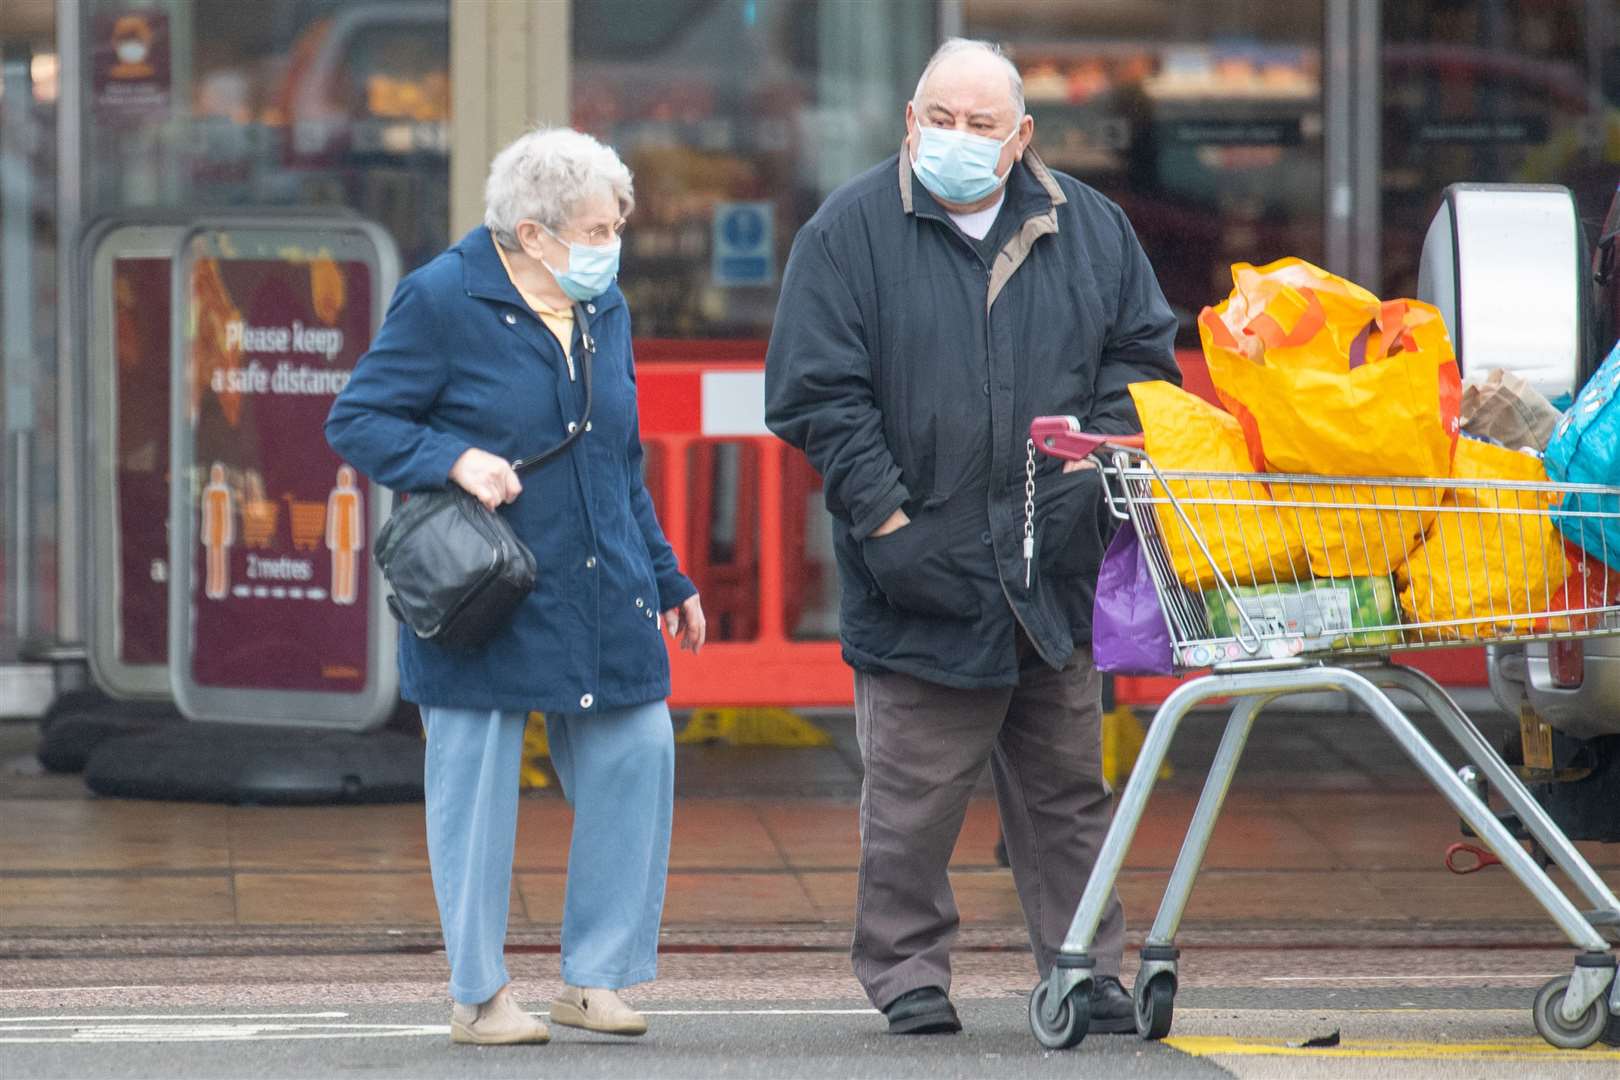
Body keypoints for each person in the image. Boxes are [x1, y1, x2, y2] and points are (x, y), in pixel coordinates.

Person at [765, 38, 1179, 1036]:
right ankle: (907, 971)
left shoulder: (1093, 228)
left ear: (1021, 136)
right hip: (919, 564)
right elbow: (816, 392)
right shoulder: (849, 231)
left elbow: (1142, 356)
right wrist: (889, 519)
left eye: (982, 125)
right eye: (939, 119)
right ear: (909, 122)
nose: (956, 139)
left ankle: (1085, 966)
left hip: (1055, 555)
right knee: (910, 801)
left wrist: (1095, 462)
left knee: (1069, 795)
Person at [326, 127, 707, 1046]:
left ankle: (598, 978)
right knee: (476, 791)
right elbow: (359, 419)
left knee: (638, 750)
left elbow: (618, 456)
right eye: (595, 227)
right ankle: (478, 996)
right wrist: (453, 457)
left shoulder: (601, 303)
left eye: (616, 224)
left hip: (602, 580)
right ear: (532, 235)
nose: (610, 243)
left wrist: (666, 574)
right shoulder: (443, 298)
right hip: (484, 587)